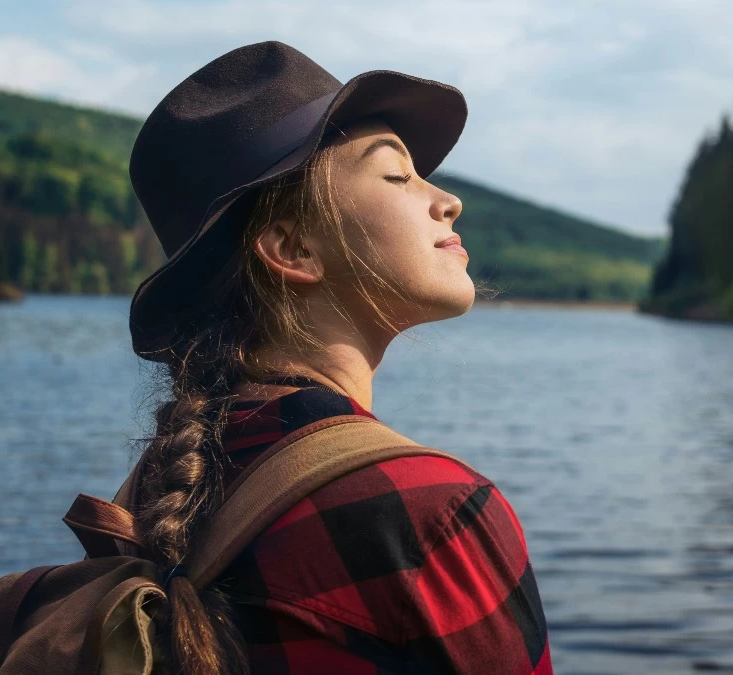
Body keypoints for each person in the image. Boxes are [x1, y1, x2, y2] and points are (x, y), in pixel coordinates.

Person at [124, 41, 553, 674]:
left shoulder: (151, 495)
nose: (448, 201)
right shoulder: (430, 510)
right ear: (293, 248)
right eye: (397, 174)